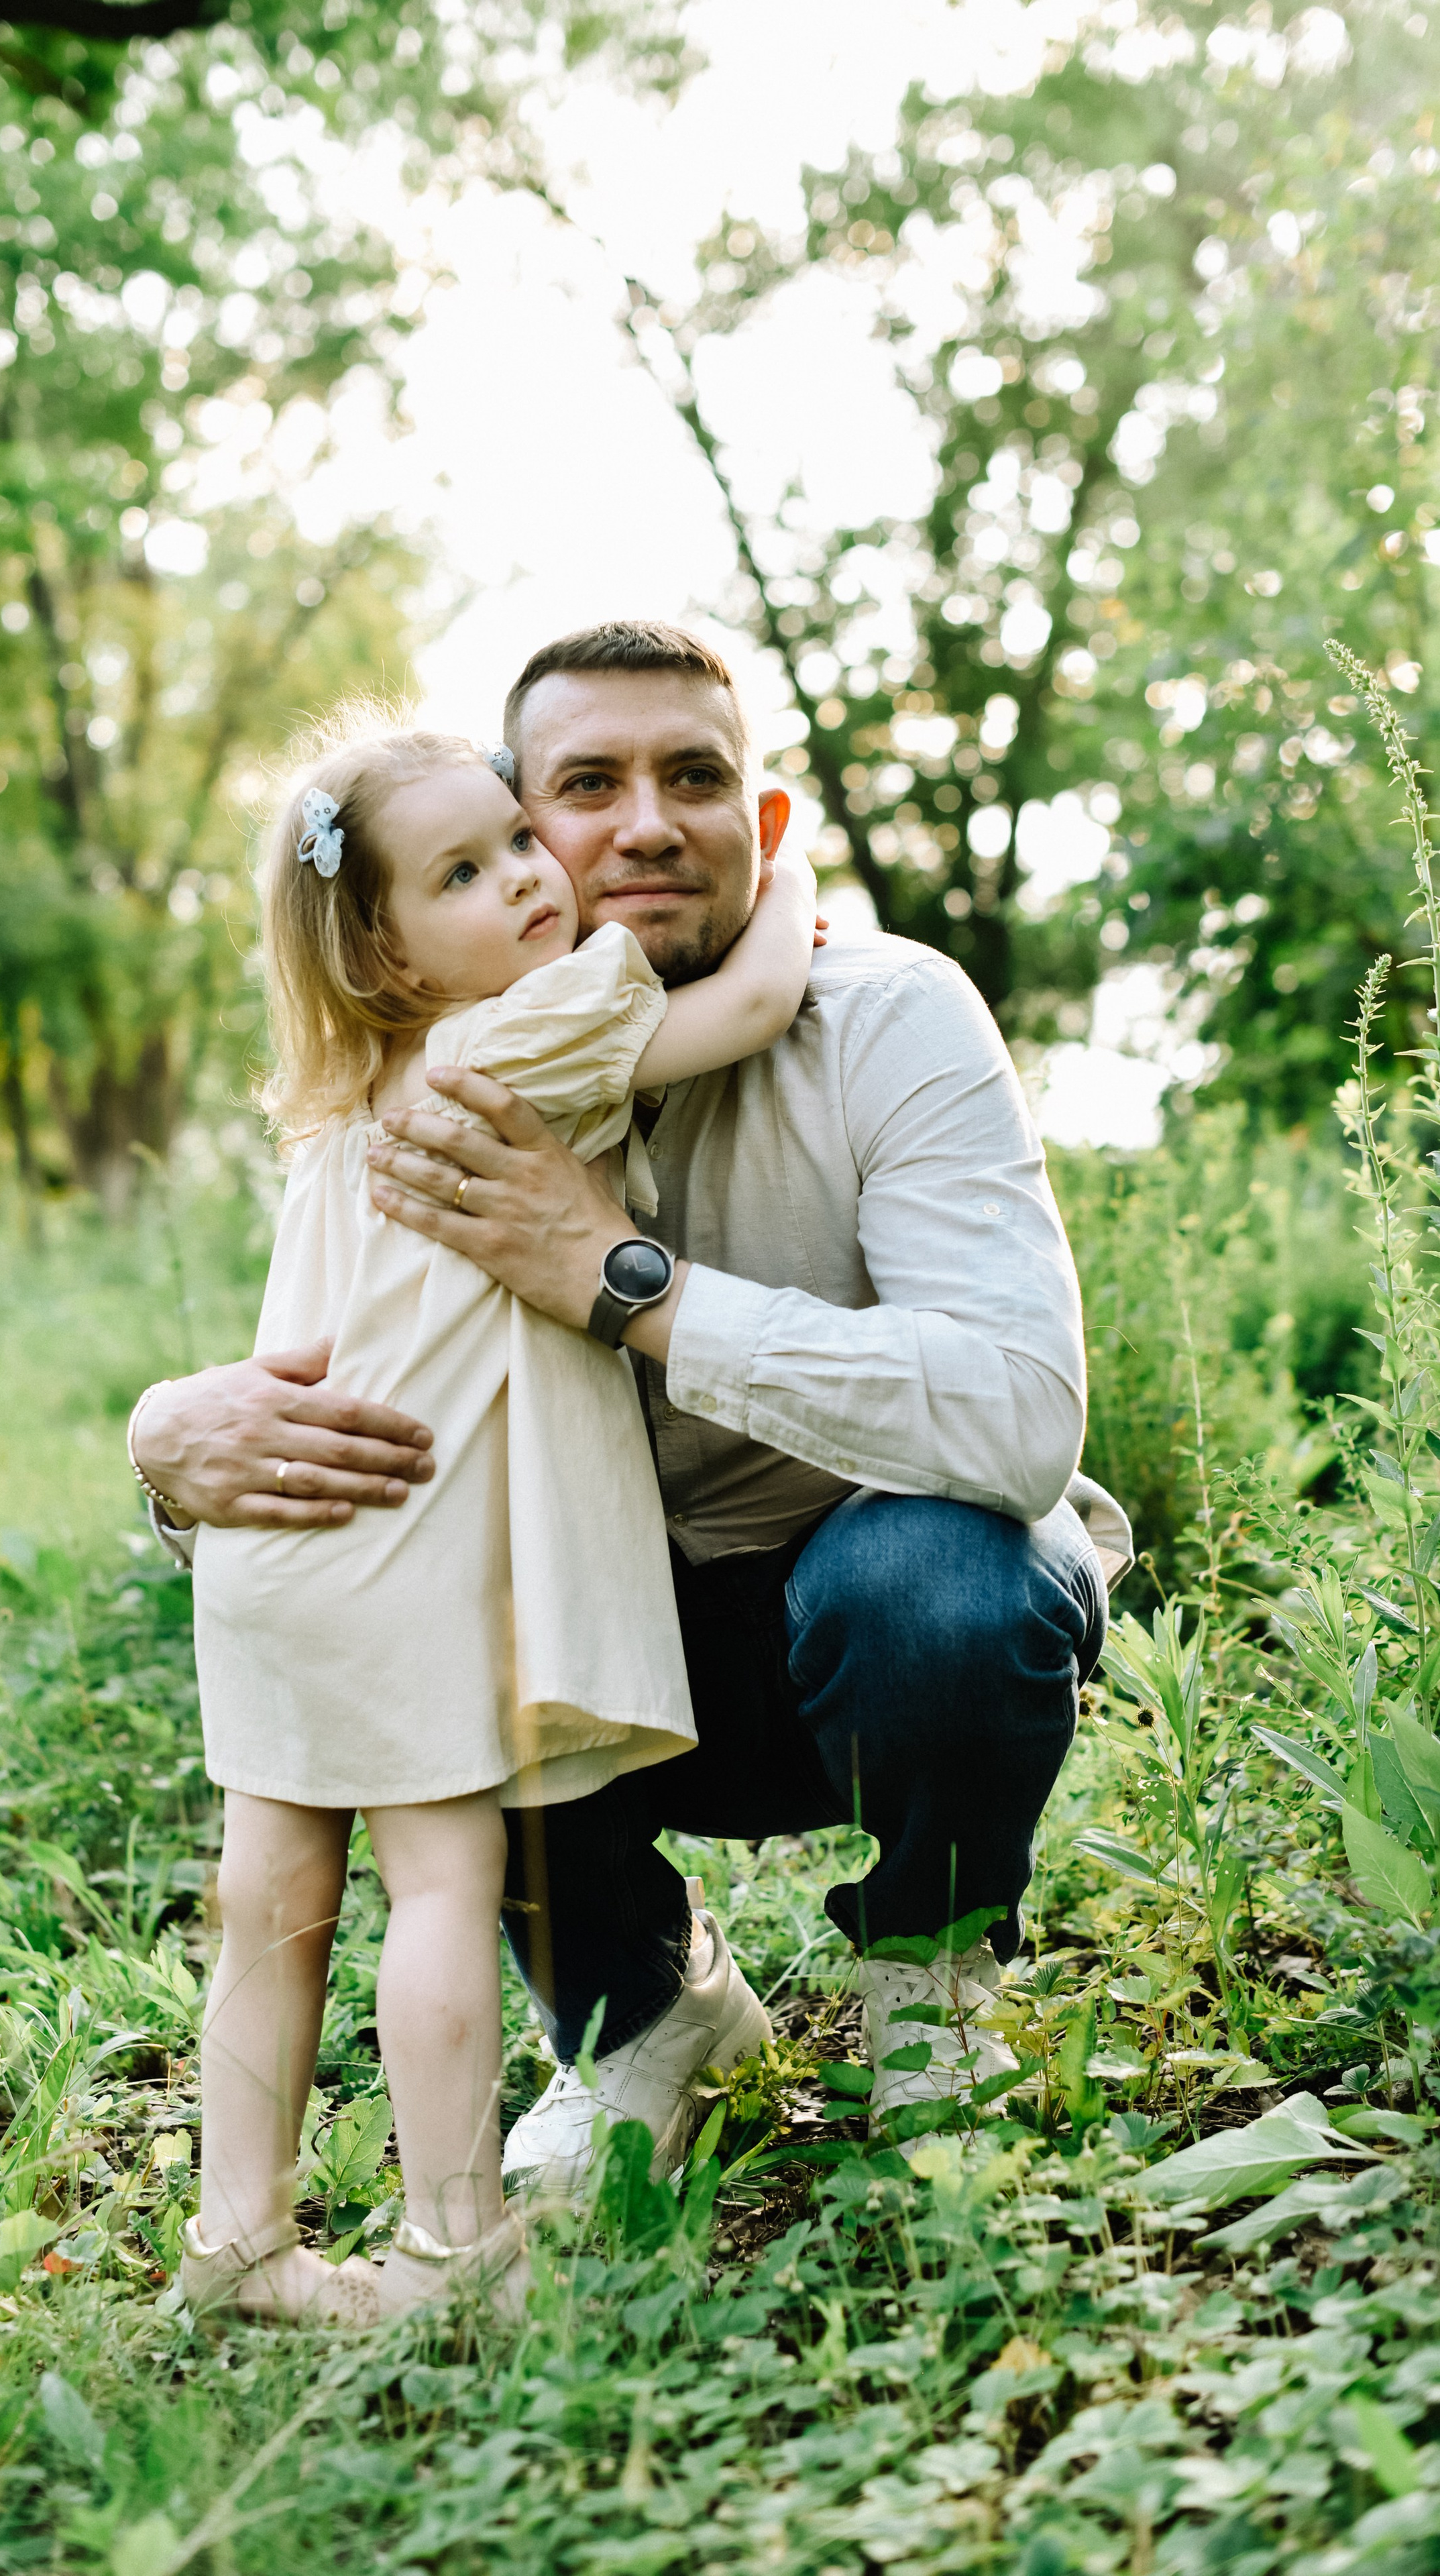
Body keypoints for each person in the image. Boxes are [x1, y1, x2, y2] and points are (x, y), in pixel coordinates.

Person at [133, 621, 1130, 2206]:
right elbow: (335, 1386)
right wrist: (168, 1451)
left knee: (945, 1580)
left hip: (853, 1606)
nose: (642, 825)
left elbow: (1019, 1425)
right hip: (592, 1637)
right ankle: (647, 2019)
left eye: (695, 779)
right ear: (505, 826)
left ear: (768, 826)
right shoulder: (435, 1078)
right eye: (580, 790)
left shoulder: (889, 1019)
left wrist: (619, 1278)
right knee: (448, 1638)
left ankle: (930, 1984)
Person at [146, 710, 820, 2326]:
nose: (528, 877)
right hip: (401, 1550)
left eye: (517, 840)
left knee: (272, 1897)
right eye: (464, 869)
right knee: (443, 1891)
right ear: (383, 948)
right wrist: (785, 869)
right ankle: (457, 2257)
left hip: (269, 1552)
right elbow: (751, 996)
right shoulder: (517, 1035)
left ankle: (236, 2240)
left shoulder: (332, 1105)